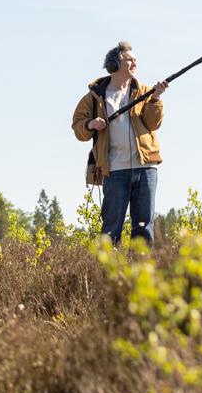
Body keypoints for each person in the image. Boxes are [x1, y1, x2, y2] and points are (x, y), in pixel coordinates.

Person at [71, 41, 168, 244]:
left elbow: (153, 123)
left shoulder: (145, 91)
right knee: (111, 228)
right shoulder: (95, 96)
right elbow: (78, 127)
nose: (134, 64)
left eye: (135, 60)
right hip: (114, 170)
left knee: (143, 228)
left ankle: (139, 272)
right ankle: (107, 273)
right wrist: (90, 124)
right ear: (114, 64)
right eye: (129, 60)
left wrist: (155, 99)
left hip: (146, 168)